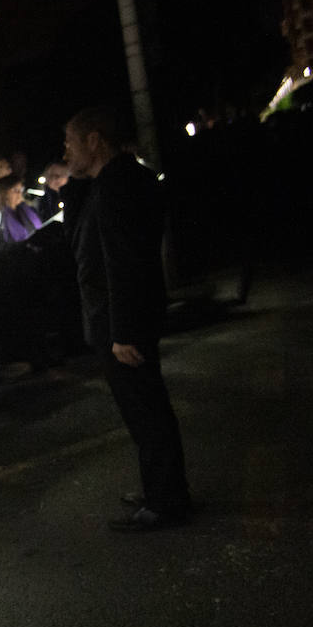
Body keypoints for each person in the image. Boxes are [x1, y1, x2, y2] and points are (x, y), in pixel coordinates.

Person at [63, 106, 190, 530]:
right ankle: (162, 488)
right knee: (146, 409)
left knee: (146, 411)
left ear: (94, 140)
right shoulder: (120, 179)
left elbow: (123, 263)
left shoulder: (116, 186)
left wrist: (122, 332)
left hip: (122, 323)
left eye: (71, 142)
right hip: (126, 318)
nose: (66, 152)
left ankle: (165, 503)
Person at [0, 174, 43, 244]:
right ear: (4, 193)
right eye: (15, 190)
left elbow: (38, 225)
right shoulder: (0, 218)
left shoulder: (26, 208)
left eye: (21, 189)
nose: (20, 193)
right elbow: (20, 236)